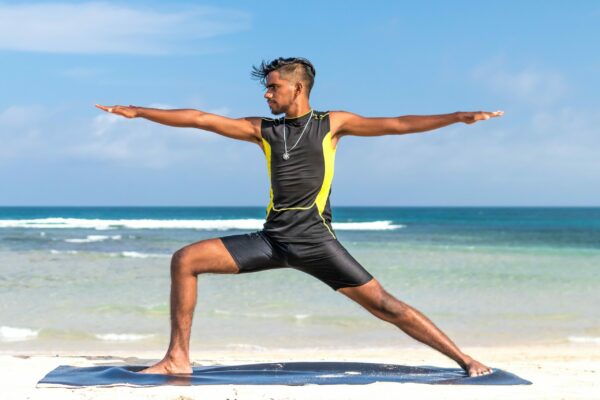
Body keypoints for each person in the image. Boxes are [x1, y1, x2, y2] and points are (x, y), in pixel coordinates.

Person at [95, 57, 503, 377]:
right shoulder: (264, 131)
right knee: (185, 260)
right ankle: (177, 357)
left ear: (298, 87)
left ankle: (464, 358)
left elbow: (397, 124)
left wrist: (454, 117)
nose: (267, 95)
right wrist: (141, 112)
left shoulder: (331, 125)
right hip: (271, 241)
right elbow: (202, 118)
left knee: (386, 306)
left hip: (316, 243)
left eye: (273, 87)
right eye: (267, 88)